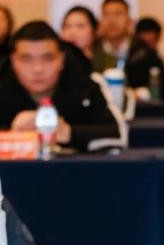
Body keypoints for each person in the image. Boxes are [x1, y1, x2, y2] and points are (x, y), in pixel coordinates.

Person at [0, 21, 126, 152]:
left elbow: (119, 134)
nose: (37, 69)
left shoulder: (85, 86)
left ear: (61, 59)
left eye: (48, 58)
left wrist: (70, 132)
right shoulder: (3, 88)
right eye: (26, 60)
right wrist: (9, 135)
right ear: (13, 61)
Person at [92, 0, 164, 98]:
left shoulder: (143, 51)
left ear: (129, 21)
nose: (112, 20)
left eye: (118, 14)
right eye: (106, 15)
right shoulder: (92, 50)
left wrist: (140, 94)